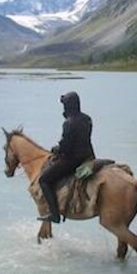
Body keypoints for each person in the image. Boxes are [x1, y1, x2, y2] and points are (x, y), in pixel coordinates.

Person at [37, 91, 96, 223]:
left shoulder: (69, 123)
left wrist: (57, 149)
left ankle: (54, 214)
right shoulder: (87, 118)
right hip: (88, 156)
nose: (63, 108)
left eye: (64, 105)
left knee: (44, 180)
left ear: (69, 106)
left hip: (72, 160)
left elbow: (66, 146)